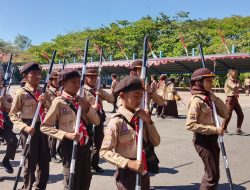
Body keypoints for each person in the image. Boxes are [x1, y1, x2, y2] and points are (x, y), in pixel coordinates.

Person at [41, 69, 100, 190]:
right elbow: (45, 127)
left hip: (85, 144)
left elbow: (97, 121)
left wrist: (87, 108)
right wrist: (66, 135)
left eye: (79, 82)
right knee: (72, 179)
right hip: (69, 145)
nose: (77, 85)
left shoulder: (83, 100)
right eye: (73, 82)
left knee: (86, 178)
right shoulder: (59, 102)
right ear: (63, 83)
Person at [100, 76, 160, 190]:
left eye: (141, 96)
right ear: (122, 96)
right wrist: (128, 163)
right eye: (136, 96)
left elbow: (156, 142)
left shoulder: (142, 119)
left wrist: (149, 121)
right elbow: (104, 151)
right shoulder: (117, 121)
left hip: (143, 168)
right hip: (127, 172)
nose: (139, 100)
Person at [9, 62, 51, 190]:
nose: (37, 76)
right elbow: (13, 114)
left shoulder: (44, 92)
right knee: (30, 161)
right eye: (34, 74)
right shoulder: (21, 92)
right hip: (28, 126)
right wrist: (24, 127)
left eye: (39, 74)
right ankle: (27, 186)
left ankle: (40, 186)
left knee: (44, 160)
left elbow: (52, 110)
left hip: (43, 126)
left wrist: (45, 102)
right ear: (25, 76)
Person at [186, 68, 229, 190]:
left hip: (212, 140)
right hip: (202, 141)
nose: (212, 83)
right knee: (212, 175)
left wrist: (214, 98)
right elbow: (190, 125)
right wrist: (214, 130)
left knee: (213, 172)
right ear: (199, 82)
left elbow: (225, 114)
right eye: (208, 80)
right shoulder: (196, 101)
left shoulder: (209, 98)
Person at [83, 68, 114, 173]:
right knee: (87, 143)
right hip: (87, 120)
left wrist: (101, 94)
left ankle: (94, 163)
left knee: (98, 141)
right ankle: (85, 164)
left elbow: (112, 99)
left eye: (95, 77)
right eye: (90, 77)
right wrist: (92, 106)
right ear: (86, 77)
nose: (93, 79)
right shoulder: (82, 90)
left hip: (99, 118)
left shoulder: (98, 89)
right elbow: (78, 106)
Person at [0, 76, 18, 174]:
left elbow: (11, 108)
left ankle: (6, 160)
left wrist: (4, 102)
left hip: (4, 122)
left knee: (13, 141)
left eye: (0, 79)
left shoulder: (6, 95)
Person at [221, 68, 245, 134]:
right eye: (235, 73)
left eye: (237, 73)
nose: (236, 74)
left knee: (240, 114)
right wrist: (238, 84)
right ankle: (223, 129)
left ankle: (238, 129)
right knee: (228, 114)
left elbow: (240, 87)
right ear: (231, 73)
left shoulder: (235, 80)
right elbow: (235, 87)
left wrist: (239, 84)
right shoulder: (228, 80)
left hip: (234, 99)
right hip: (230, 99)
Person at [47, 71, 61, 163]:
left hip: (62, 116)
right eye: (54, 80)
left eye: (58, 80)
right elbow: (48, 105)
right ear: (51, 81)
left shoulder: (61, 90)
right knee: (53, 136)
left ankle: (59, 151)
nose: (56, 81)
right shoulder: (48, 91)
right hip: (52, 116)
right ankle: (52, 154)